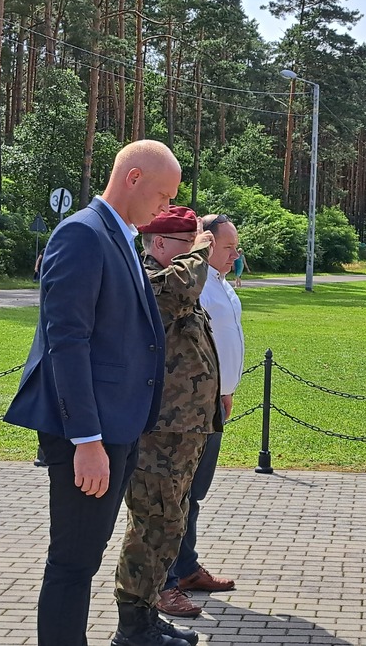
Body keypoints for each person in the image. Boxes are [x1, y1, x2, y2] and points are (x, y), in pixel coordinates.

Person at [3, 140, 180, 646]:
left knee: (84, 558)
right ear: (133, 178)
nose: (165, 208)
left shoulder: (119, 234)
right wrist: (87, 440)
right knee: (73, 563)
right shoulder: (82, 234)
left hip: (116, 427)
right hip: (90, 433)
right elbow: (67, 343)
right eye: (163, 195)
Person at [113, 206, 222, 646]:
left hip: (184, 432)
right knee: (151, 526)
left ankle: (147, 611)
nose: (199, 257)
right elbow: (175, 292)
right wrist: (198, 253)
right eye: (187, 245)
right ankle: (132, 628)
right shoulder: (147, 280)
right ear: (159, 244)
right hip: (157, 433)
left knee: (170, 526)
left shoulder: (173, 276)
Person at [158, 213, 242, 618]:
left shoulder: (221, 284)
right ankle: (167, 581)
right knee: (176, 497)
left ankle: (187, 568)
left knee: (194, 495)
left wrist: (225, 391)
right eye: (226, 247)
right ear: (204, 242)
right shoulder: (195, 283)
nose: (233, 254)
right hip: (185, 409)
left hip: (212, 403)